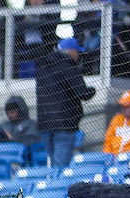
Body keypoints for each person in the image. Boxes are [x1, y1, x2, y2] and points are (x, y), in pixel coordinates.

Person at [36, 38, 95, 168]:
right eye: (77, 52)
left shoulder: (42, 66)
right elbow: (83, 93)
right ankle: (58, 188)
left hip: (44, 124)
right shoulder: (67, 66)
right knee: (61, 167)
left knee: (54, 163)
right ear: (70, 51)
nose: (78, 55)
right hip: (64, 125)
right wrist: (93, 90)